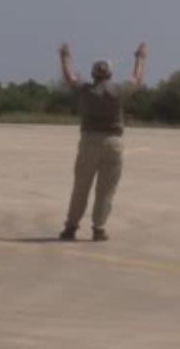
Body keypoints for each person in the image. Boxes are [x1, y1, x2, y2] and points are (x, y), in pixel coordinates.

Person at [57, 41, 147, 242]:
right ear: (110, 74)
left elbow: (69, 78)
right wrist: (140, 58)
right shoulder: (117, 90)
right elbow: (137, 79)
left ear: (93, 74)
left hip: (89, 141)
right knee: (106, 189)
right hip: (113, 143)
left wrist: (65, 58)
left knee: (81, 186)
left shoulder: (85, 90)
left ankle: (71, 227)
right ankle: (98, 228)